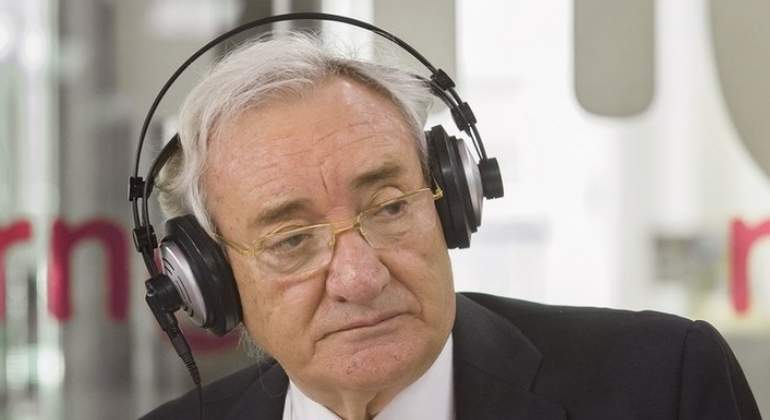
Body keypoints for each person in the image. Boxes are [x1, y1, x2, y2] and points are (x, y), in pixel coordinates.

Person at [140, 33, 761, 420]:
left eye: (389, 208)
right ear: (212, 281)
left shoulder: (663, 385)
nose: (359, 277)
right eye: (292, 241)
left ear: (451, 202)